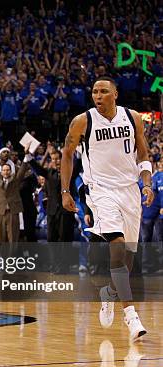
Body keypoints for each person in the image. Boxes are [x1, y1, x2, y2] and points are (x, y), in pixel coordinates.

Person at [60, 77, 153, 341]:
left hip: (130, 191)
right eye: (94, 92)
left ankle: (109, 294)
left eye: (103, 91)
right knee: (117, 246)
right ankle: (131, 316)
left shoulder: (132, 117)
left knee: (129, 259)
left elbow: (143, 155)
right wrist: (66, 191)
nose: (97, 96)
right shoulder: (82, 121)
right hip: (101, 192)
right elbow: (67, 155)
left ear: (115, 94)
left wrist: (146, 184)